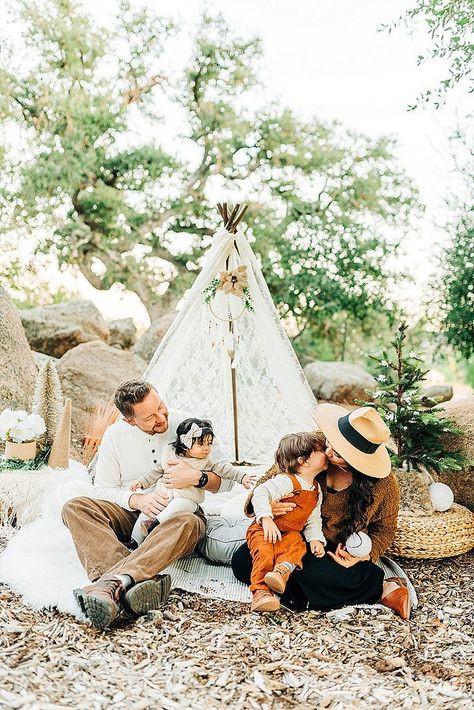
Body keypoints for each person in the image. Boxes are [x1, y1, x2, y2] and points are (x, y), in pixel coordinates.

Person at [62, 380, 236, 630]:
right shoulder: (115, 435)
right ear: (129, 421)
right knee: (75, 507)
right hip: (131, 513)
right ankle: (133, 582)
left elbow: (228, 481)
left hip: (179, 514)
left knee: (188, 523)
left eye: (161, 407)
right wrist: (137, 500)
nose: (161, 417)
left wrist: (198, 478)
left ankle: (108, 586)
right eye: (150, 417)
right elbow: (102, 489)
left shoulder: (190, 425)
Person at [231, 404, 411, 620]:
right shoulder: (311, 447)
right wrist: (269, 508)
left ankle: (381, 586)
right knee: (242, 560)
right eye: (330, 443)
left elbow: (385, 530)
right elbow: (263, 486)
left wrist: (364, 557)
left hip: (331, 550)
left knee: (325, 573)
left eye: (338, 453)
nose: (328, 452)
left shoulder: (383, 485)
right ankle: (302, 593)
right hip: (289, 536)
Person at [130, 417, 255, 544]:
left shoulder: (206, 462)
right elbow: (156, 471)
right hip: (164, 497)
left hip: (188, 500)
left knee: (179, 504)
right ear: (186, 444)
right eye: (201, 444)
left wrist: (242, 477)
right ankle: (134, 541)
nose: (207, 448)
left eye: (209, 443)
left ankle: (155, 524)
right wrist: (141, 482)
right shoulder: (169, 454)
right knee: (147, 511)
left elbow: (225, 469)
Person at [246, 431, 328, 612]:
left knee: (297, 545)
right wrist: (266, 518)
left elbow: (313, 518)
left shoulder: (316, 490)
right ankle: (260, 593)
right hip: (264, 529)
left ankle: (281, 572)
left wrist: (315, 539)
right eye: (320, 450)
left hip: (290, 532)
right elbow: (260, 493)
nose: (326, 452)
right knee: (265, 553)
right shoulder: (286, 481)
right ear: (303, 461)